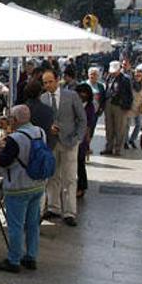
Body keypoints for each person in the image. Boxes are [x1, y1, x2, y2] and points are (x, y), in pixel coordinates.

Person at [0, 105, 46, 273]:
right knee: (33, 223)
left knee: (16, 225)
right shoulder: (40, 131)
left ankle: (14, 259)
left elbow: (3, 161)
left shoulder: (15, 138)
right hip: (37, 184)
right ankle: (31, 256)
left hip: (18, 186)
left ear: (15, 120)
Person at [40, 70, 87, 227]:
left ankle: (69, 212)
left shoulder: (71, 96)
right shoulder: (43, 98)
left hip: (69, 142)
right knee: (52, 177)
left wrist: (77, 138)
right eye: (45, 83)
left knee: (69, 178)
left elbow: (82, 118)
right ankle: (53, 207)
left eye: (50, 82)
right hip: (52, 143)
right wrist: (48, 128)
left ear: (57, 80)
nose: (48, 85)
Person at [101, 61, 133, 156]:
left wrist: (127, 106)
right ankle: (109, 147)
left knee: (119, 128)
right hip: (109, 103)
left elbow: (129, 94)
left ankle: (117, 148)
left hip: (119, 105)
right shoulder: (109, 78)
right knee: (109, 127)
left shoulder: (125, 80)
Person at [75, 84, 96, 199]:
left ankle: (82, 187)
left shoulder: (90, 106)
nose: (82, 95)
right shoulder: (74, 103)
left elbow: (89, 124)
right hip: (73, 136)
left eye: (84, 92)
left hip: (82, 137)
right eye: (80, 92)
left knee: (80, 162)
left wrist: (87, 140)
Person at [23, 79, 55, 148]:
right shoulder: (48, 110)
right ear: (40, 93)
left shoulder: (22, 110)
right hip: (44, 147)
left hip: (25, 147)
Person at [126, 68, 142, 150]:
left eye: (139, 76)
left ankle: (132, 139)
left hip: (139, 107)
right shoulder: (129, 84)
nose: (137, 77)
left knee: (139, 124)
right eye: (136, 75)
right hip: (130, 106)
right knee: (127, 125)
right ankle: (125, 141)